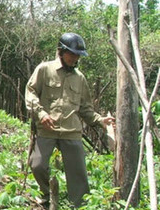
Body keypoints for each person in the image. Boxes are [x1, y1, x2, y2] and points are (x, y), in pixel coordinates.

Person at [25, 33, 115, 209]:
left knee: (78, 174)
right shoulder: (45, 69)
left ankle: (79, 206)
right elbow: (31, 92)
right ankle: (45, 195)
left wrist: (101, 120)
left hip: (71, 131)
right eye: (72, 54)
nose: (75, 58)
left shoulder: (80, 78)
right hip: (47, 129)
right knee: (37, 165)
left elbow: (85, 109)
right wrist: (41, 114)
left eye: (78, 55)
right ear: (61, 51)